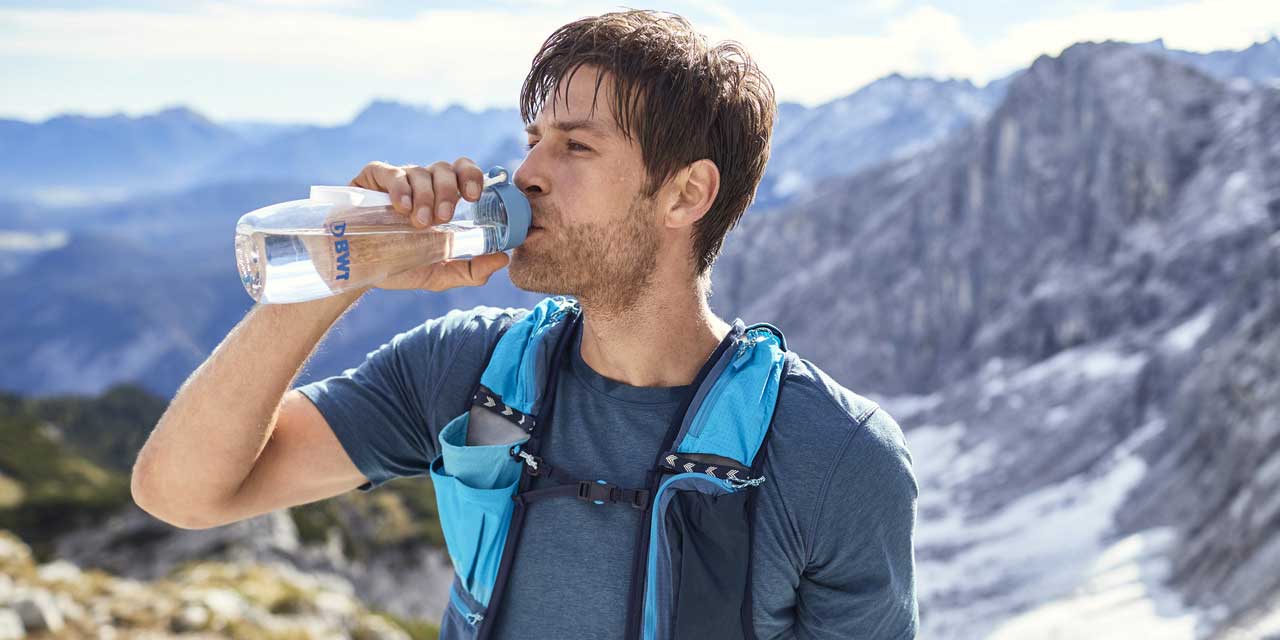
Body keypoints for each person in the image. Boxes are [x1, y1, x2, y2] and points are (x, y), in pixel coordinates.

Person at [131, 9, 919, 639]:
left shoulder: (838, 455)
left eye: (575, 146)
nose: (528, 173)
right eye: (533, 140)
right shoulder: (465, 367)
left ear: (685, 196)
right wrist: (347, 267)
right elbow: (182, 493)